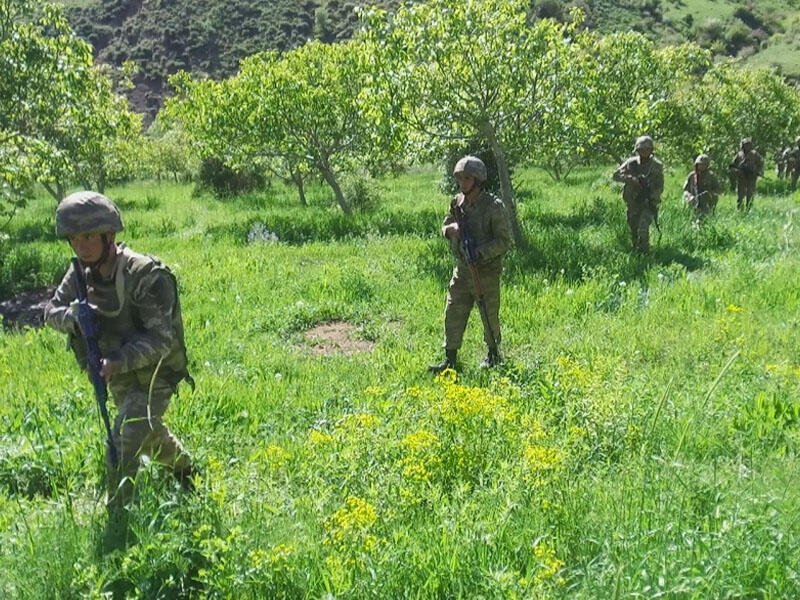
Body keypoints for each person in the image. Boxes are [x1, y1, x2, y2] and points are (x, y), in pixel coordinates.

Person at [44, 191, 194, 549]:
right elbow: (50, 312)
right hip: (117, 376)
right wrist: (74, 318)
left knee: (122, 446)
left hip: (155, 375)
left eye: (89, 236)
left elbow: (161, 340)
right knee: (146, 432)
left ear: (109, 235)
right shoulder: (80, 273)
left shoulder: (144, 275)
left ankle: (118, 530)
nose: (82, 246)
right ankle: (185, 471)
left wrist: (116, 361)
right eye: (75, 238)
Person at [428, 156, 511, 373]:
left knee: (488, 315)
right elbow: (446, 224)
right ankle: (450, 360)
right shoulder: (457, 203)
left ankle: (493, 356)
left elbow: (504, 241)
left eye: (467, 178)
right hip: (463, 270)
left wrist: (480, 253)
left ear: (478, 180)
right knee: (453, 310)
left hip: (486, 272)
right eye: (460, 178)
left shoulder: (493, 207)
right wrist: (450, 231)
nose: (462, 183)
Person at [612, 135, 664, 253]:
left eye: (647, 149)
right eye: (641, 149)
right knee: (634, 229)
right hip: (632, 202)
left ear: (651, 150)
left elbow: (660, 186)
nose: (644, 152)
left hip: (648, 202)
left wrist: (652, 197)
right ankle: (636, 252)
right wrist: (630, 179)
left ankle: (645, 254)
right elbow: (615, 176)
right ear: (637, 150)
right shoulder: (631, 163)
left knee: (643, 229)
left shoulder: (656, 165)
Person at [683, 154, 722, 223]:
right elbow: (685, 190)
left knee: (705, 221)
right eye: (700, 164)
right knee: (692, 221)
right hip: (694, 203)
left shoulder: (711, 176)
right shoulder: (692, 176)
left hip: (707, 204)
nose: (701, 166)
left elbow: (718, 190)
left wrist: (710, 194)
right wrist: (690, 197)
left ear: (707, 166)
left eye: (704, 165)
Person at [729, 138, 763, 211]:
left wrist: (757, 171)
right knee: (740, 195)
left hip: (751, 177)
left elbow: (760, 163)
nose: (747, 147)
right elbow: (732, 165)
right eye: (745, 145)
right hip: (741, 178)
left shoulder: (755, 154)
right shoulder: (739, 155)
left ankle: (748, 209)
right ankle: (740, 209)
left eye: (748, 145)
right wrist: (737, 171)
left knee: (750, 195)